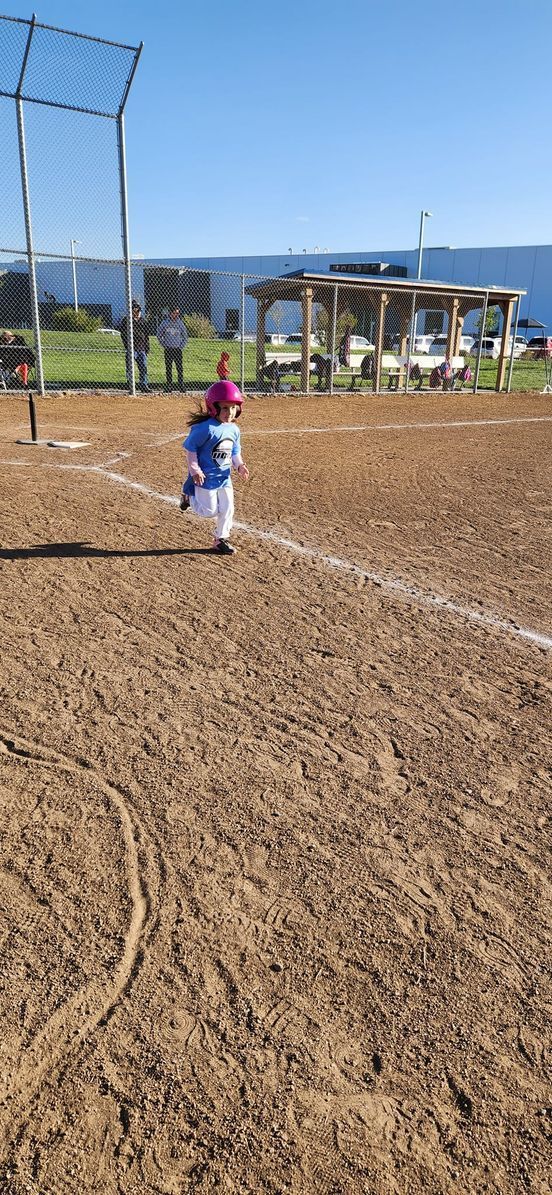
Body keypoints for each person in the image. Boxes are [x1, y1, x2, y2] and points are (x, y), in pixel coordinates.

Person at [180, 380, 249, 556]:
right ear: (213, 407)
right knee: (208, 512)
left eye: (233, 408)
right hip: (205, 477)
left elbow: (234, 451)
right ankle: (189, 495)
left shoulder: (234, 429)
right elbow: (190, 449)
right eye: (225, 408)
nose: (230, 412)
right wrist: (195, 470)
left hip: (224, 477)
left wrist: (239, 465)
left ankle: (220, 539)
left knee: (228, 508)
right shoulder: (205, 428)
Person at [120, 300, 150, 393]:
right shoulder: (127, 320)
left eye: (138, 311)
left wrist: (147, 348)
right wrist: (127, 346)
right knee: (130, 367)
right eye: (134, 311)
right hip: (132, 348)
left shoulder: (143, 321)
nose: (136, 313)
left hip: (141, 348)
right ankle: (130, 385)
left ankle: (143, 385)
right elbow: (123, 334)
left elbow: (146, 335)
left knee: (143, 367)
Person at [157, 306, 188, 392]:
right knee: (168, 368)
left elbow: (185, 336)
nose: (177, 314)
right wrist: (164, 345)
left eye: (178, 313)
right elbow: (159, 335)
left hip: (177, 349)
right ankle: (169, 386)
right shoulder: (165, 323)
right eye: (175, 313)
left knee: (179, 368)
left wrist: (181, 346)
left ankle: (181, 386)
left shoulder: (180, 323)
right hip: (168, 349)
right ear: (170, 313)